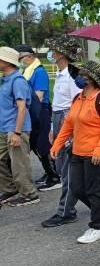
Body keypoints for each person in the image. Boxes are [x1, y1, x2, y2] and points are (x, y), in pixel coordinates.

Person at [50, 62, 100, 243]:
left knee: (93, 191)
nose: (79, 78)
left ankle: (97, 228)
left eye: (83, 75)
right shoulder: (78, 99)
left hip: (99, 153)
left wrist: (99, 149)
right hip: (78, 151)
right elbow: (68, 124)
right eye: (79, 74)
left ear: (93, 79)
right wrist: (57, 145)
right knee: (76, 188)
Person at [41, 37, 86, 227]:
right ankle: (98, 196)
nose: (51, 53)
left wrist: (70, 131)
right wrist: (53, 128)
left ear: (61, 54)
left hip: (69, 120)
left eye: (53, 50)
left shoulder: (72, 77)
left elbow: (77, 106)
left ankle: (66, 211)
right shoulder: (60, 75)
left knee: (67, 169)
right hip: (59, 119)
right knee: (62, 167)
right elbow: (57, 105)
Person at [17, 44, 60, 190]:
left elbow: (39, 97)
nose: (20, 60)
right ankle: (48, 172)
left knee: (43, 145)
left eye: (21, 58)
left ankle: (55, 176)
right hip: (32, 112)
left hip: (40, 111)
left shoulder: (39, 72)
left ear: (29, 56)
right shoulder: (27, 71)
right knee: (36, 145)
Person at [0, 46, 39, 208]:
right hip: (4, 128)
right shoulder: (5, 80)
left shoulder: (17, 81)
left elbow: (22, 108)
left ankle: (29, 194)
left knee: (19, 164)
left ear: (6, 62)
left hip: (16, 129)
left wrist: (17, 132)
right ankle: (11, 188)